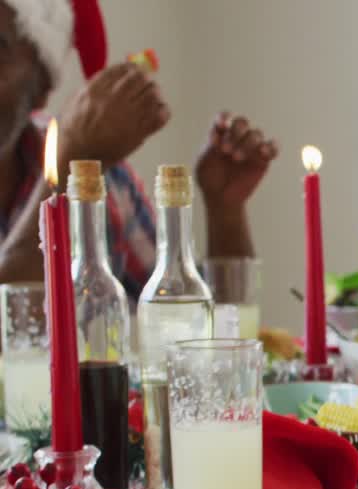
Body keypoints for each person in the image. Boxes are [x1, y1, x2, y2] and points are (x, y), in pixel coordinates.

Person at [0, 0, 277, 298]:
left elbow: (184, 314)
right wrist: (72, 163)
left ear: (43, 84)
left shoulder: (102, 174)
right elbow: (13, 319)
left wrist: (225, 213)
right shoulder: (81, 151)